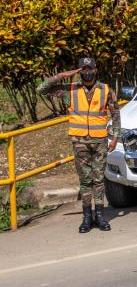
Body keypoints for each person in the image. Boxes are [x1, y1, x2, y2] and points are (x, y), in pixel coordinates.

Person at [38, 57, 121, 233]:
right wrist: (61, 75)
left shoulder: (105, 90)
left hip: (99, 142)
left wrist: (114, 137)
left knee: (98, 180)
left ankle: (99, 216)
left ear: (96, 69)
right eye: (83, 69)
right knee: (85, 181)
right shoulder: (70, 90)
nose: (87, 72)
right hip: (80, 142)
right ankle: (87, 217)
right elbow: (41, 89)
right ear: (79, 71)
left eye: (90, 68)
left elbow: (115, 114)